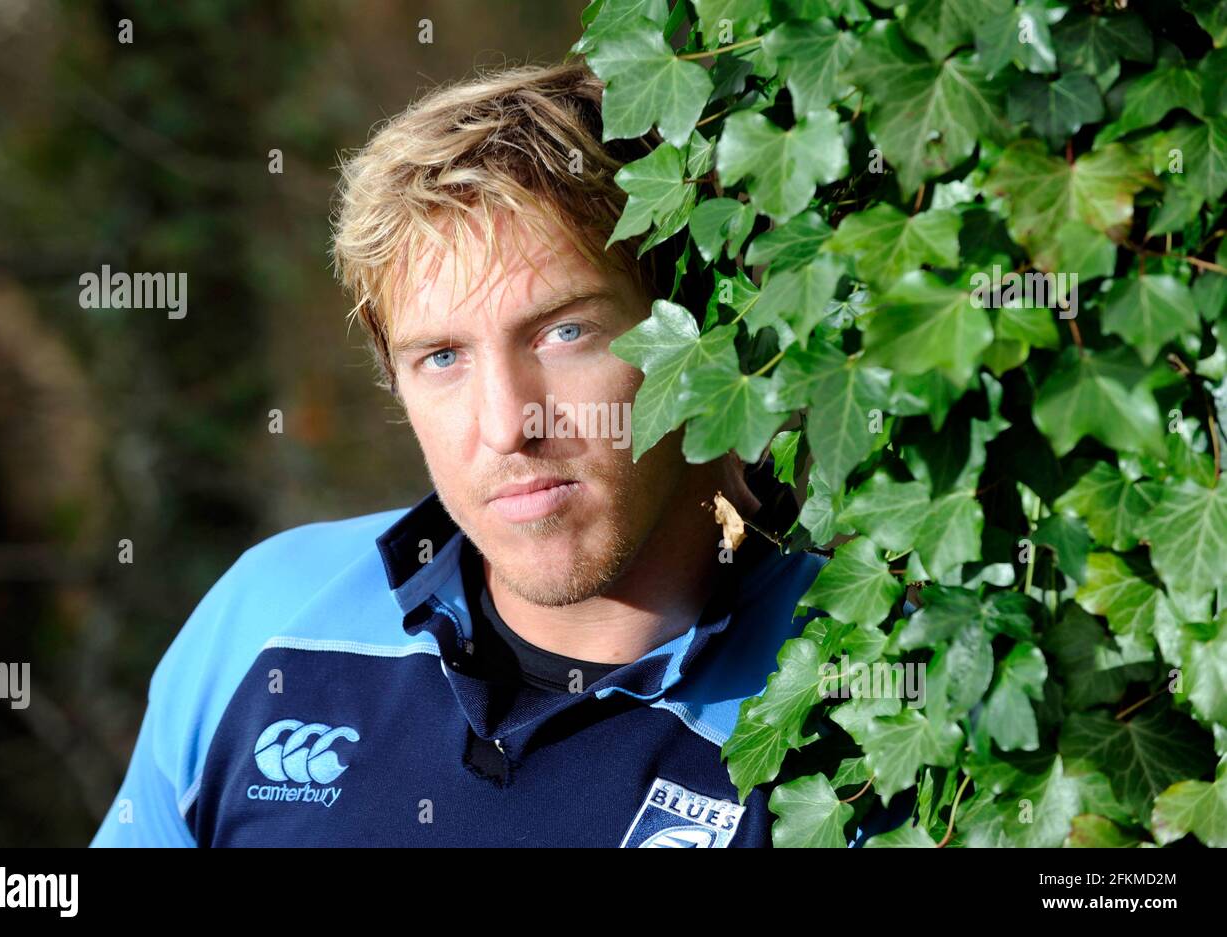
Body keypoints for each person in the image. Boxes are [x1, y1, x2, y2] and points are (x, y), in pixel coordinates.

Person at [90, 60, 912, 847]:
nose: (506, 424)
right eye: (441, 357)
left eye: (565, 332)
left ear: (691, 336)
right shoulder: (264, 618)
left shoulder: (865, 694)